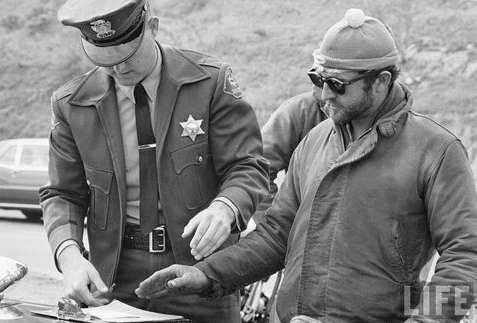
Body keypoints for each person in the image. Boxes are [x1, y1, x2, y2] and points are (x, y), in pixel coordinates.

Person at [134, 8, 477, 322]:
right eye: (318, 79)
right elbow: (275, 237)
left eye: (338, 85)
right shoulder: (314, 141)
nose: (323, 95)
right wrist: (208, 274)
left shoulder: (438, 151)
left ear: (382, 81)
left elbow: (467, 260)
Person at [39, 0, 269, 322]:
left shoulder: (209, 83)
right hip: (113, 282)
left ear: (153, 27)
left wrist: (225, 208)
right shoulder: (72, 104)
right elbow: (63, 194)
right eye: (106, 61)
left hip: (199, 273)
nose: (118, 70)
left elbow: (248, 166)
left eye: (127, 57)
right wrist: (70, 257)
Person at [251, 87, 327, 224]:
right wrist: (275, 225)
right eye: (319, 78)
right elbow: (256, 171)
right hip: (307, 229)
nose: (328, 93)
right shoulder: (300, 111)